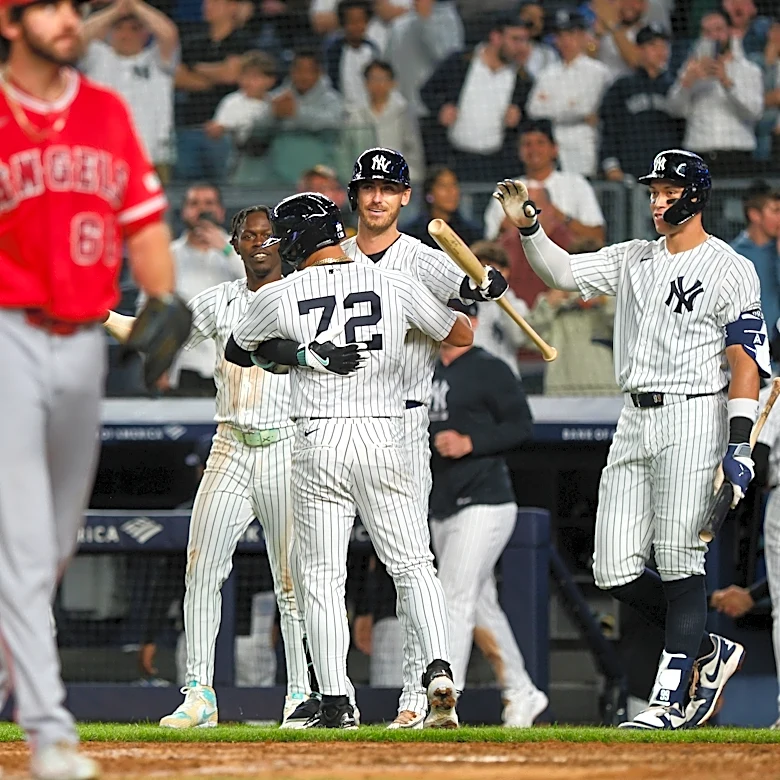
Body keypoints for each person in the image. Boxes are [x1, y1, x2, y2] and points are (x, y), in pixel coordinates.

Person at [494, 149, 769, 729]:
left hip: (695, 414)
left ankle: (668, 700)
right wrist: (529, 227)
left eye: (667, 191)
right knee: (612, 568)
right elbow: (562, 273)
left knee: (677, 560)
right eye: (652, 192)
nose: (656, 201)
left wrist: (739, 445)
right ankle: (704, 650)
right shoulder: (636, 257)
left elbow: (745, 359)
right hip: (634, 418)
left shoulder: (730, 266)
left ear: (694, 195)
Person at [240, 146, 509, 729]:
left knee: (320, 576)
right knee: (414, 564)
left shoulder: (281, 294)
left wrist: (302, 351)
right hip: (388, 432)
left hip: (321, 438)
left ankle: (336, 698)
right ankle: (439, 669)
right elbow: (457, 331)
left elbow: (244, 345)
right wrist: (472, 298)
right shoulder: (393, 281)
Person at [0, 0, 179, 775]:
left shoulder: (105, 111)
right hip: (6, 332)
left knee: (55, 546)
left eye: (77, 7)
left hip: (83, 346)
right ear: (11, 21)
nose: (71, 19)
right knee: (25, 539)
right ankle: (49, 731)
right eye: (51, 8)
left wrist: (163, 304)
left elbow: (142, 226)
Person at [103, 207, 319, 728]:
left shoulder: (304, 297)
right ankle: (199, 693)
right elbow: (147, 335)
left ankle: (300, 698)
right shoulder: (220, 300)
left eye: (269, 236)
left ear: (282, 245)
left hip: (287, 447)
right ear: (237, 245)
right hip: (230, 445)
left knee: (293, 581)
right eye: (250, 236)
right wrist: (98, 310)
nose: (260, 244)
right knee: (201, 569)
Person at [428, 300, 549, 727]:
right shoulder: (426, 366)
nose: (447, 322)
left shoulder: (489, 367)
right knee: (480, 604)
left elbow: (522, 424)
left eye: (458, 315)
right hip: (442, 502)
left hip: (486, 500)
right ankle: (522, 691)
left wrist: (471, 441)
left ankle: (444, 702)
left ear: (474, 321)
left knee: (452, 598)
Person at [79, 0, 179, 183]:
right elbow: (79, 36)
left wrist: (134, 4)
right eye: (119, 28)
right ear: (111, 31)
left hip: (151, 156)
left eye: (134, 28)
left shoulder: (157, 61)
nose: (126, 34)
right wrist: (116, 10)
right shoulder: (97, 56)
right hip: (101, 156)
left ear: (145, 32)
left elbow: (169, 33)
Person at [731, 182, 780, 343]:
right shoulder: (733, 256)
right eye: (776, 211)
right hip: (748, 354)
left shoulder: (777, 251)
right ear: (755, 215)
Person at [404, 165, 481, 250]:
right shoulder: (411, 234)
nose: (451, 192)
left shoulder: (472, 233)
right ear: (429, 194)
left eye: (454, 185)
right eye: (443, 186)